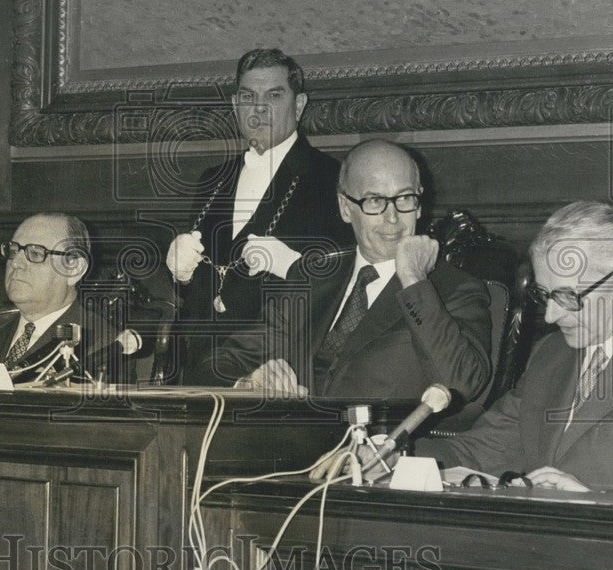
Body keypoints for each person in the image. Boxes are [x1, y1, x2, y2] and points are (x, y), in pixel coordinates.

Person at [405, 202, 613, 492]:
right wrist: (394, 456)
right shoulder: (552, 352)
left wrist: (597, 500)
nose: (550, 316)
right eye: (544, 295)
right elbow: (481, 449)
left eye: (569, 297)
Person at [192, 140, 492, 406]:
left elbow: (464, 385)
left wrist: (414, 281)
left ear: (419, 204)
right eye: (375, 201)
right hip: (288, 451)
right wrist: (249, 383)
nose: (392, 217)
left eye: (404, 198)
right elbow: (216, 364)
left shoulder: (454, 289)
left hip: (380, 457)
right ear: (345, 208)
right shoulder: (312, 279)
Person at [166, 48, 353, 381]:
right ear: (235, 105)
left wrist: (294, 266)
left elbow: (341, 289)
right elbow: (195, 290)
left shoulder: (331, 179)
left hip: (276, 378)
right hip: (198, 376)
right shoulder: (213, 179)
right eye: (248, 97)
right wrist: (180, 278)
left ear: (299, 105)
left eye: (275, 95)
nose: (259, 109)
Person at [0, 213, 130, 385]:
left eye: (36, 253)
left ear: (74, 269)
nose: (16, 263)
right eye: (13, 250)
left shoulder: (105, 345)